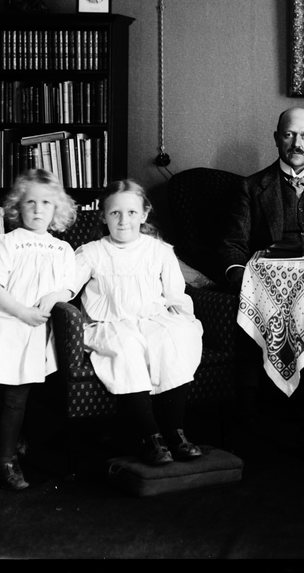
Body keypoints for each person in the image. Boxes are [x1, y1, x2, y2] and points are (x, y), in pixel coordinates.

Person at [217, 107, 304, 422]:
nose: (297, 143)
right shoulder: (251, 186)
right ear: (277, 138)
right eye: (289, 134)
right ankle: (255, 402)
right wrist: (242, 280)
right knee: (249, 306)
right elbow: (233, 244)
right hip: (270, 289)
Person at [73, 179, 204, 466]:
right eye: (115, 213)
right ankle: (150, 436)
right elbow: (66, 286)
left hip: (153, 319)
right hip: (110, 323)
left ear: (144, 215)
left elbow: (175, 293)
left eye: (131, 212)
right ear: (103, 216)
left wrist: (187, 323)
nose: (123, 221)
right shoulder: (92, 252)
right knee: (127, 347)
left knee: (175, 338)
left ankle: (175, 432)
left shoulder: (159, 250)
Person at [0, 169, 78, 491]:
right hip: (8, 324)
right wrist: (21, 311)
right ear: (18, 206)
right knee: (13, 394)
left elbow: (69, 287)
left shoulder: (62, 249)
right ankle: (2, 461)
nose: (38, 209)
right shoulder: (7, 242)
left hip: (39, 331)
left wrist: (54, 296)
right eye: (30, 202)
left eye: (46, 203)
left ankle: (11, 444)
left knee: (30, 393)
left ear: (57, 209)